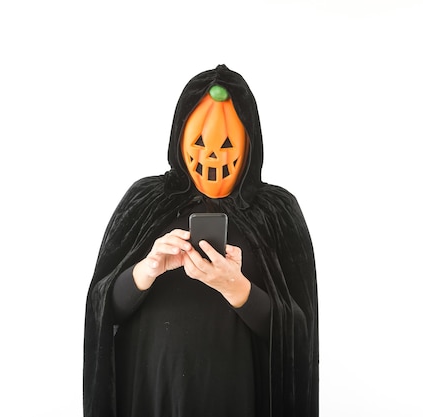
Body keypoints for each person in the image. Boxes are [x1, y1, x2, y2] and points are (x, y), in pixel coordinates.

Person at [83, 64, 318, 417]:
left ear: (249, 142)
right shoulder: (145, 201)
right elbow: (103, 310)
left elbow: (298, 336)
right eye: (199, 142)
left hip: (234, 399)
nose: (211, 155)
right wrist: (145, 271)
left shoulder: (276, 211)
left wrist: (237, 288)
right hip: (150, 394)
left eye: (226, 144)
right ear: (180, 137)